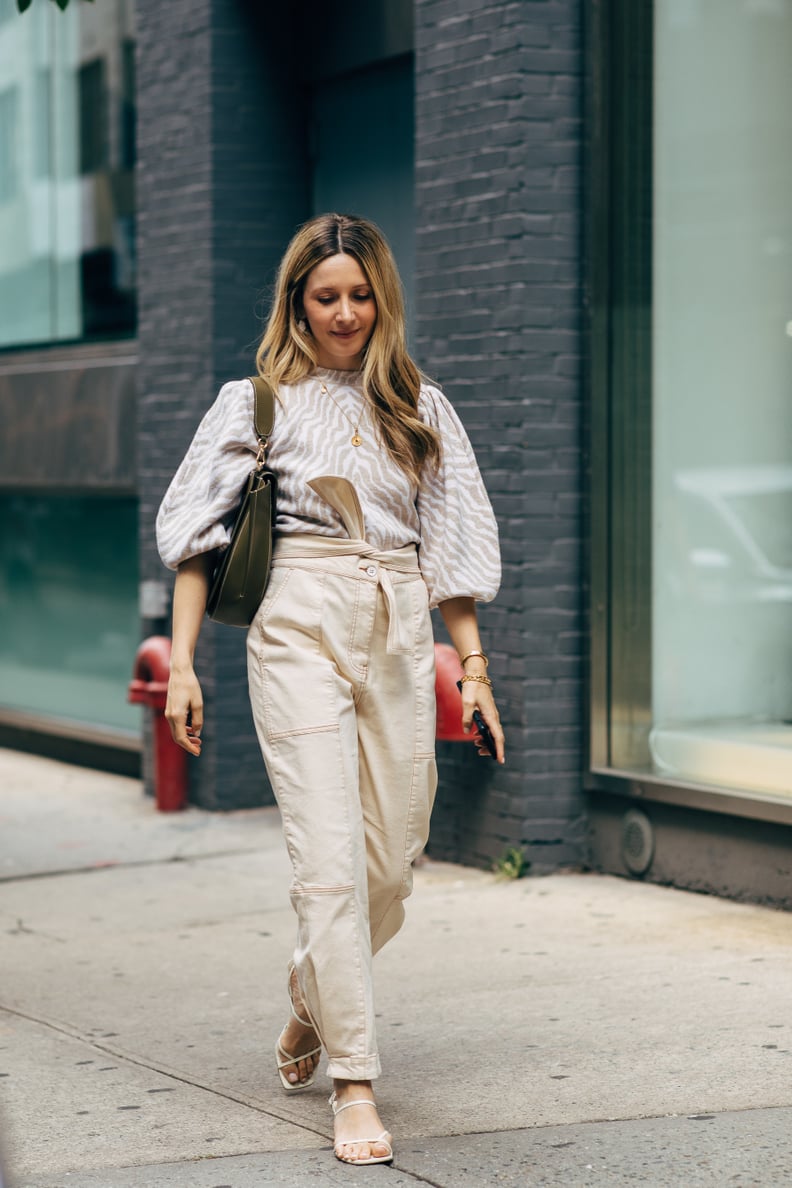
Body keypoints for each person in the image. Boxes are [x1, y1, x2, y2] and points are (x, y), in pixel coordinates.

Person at [156, 213, 504, 1166]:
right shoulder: (253, 402)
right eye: (325, 297)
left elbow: (455, 552)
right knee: (328, 858)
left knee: (393, 860)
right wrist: (182, 664)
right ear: (295, 301)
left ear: (381, 298)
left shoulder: (420, 404)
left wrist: (472, 670)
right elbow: (195, 540)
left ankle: (310, 999)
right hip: (297, 617)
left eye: (359, 295)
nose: (345, 314)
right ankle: (354, 1079)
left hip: (397, 622)